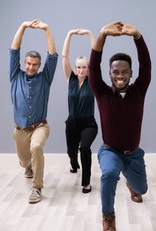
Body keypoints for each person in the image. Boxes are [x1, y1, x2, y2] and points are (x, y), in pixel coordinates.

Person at [88, 21, 151, 231]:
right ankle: (108, 218)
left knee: (141, 189)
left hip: (134, 155)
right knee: (108, 174)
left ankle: (131, 183)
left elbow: (146, 65)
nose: (120, 75)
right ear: (110, 73)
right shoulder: (102, 93)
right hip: (110, 152)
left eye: (125, 71)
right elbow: (93, 66)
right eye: (116, 72)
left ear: (131, 73)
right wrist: (103, 33)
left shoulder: (139, 90)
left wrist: (137, 36)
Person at [9, 19, 58, 204]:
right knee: (23, 161)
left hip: (40, 126)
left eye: (35, 64)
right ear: (24, 63)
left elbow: (52, 56)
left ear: (39, 66)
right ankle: (27, 166)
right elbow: (14, 50)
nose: (31, 67)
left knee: (36, 147)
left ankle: (37, 188)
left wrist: (47, 28)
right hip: (20, 130)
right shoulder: (15, 76)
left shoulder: (45, 79)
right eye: (28, 63)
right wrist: (23, 26)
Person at [62, 29, 98, 194]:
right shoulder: (71, 79)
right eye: (78, 67)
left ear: (88, 68)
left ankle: (86, 182)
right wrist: (70, 35)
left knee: (84, 148)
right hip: (72, 122)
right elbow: (64, 57)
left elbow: (97, 56)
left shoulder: (93, 81)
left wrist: (90, 34)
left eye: (84, 67)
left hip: (89, 123)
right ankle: (73, 161)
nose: (81, 70)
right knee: (71, 151)